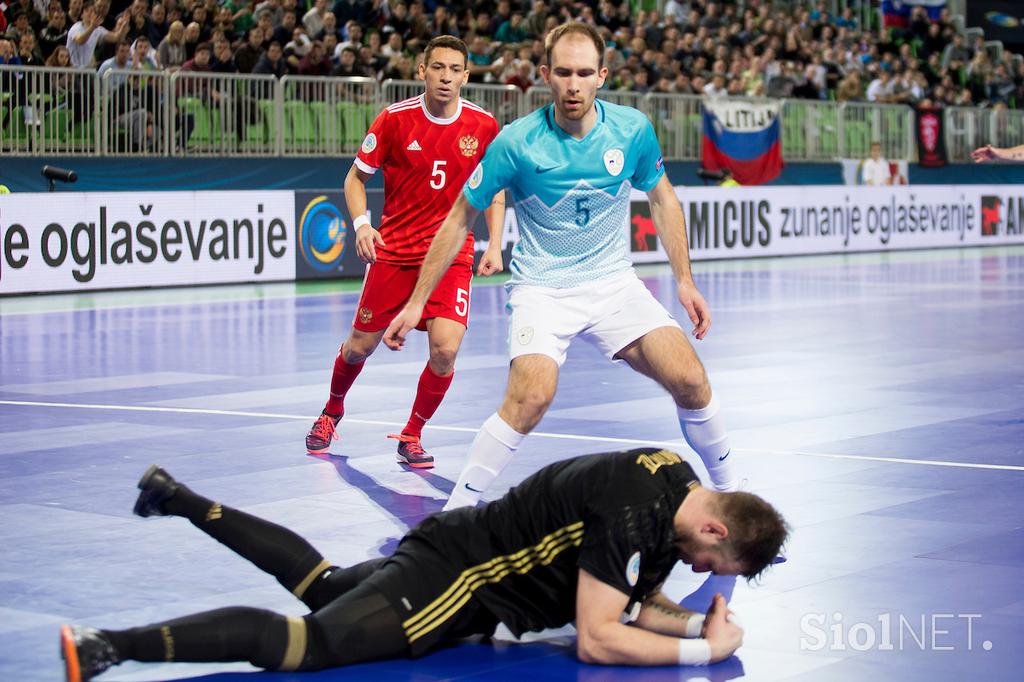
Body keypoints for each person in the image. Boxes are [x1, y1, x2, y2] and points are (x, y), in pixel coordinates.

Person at [384, 22, 741, 509]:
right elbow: (458, 219)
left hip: (614, 284)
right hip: (543, 290)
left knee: (692, 379)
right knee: (530, 398)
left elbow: (662, 198)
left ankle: (729, 500)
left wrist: (685, 281)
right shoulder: (516, 142)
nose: (574, 85)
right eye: (564, 73)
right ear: (545, 75)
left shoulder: (632, 130)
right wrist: (417, 301)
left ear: (602, 76)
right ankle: (454, 517)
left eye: (585, 73)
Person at [60, 448, 789, 680]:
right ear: (716, 525)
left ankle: (177, 497)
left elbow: (637, 603)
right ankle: (108, 647)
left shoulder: (672, 482)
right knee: (309, 644)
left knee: (326, 585)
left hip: (451, 544)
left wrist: (700, 623)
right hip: (457, 580)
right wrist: (700, 654)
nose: (697, 569)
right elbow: (599, 637)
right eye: (708, 559)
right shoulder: (637, 513)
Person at [304, 35, 505, 469]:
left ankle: (412, 433)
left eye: (455, 69)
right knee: (359, 347)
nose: (446, 77)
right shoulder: (395, 120)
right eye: (438, 68)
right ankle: (332, 410)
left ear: (467, 76)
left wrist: (496, 242)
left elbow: (496, 187)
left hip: (453, 253)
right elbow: (355, 179)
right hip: (395, 252)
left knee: (446, 349)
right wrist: (362, 225)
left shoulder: (484, 125)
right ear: (422, 71)